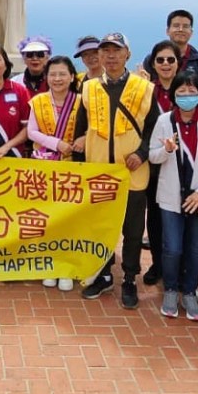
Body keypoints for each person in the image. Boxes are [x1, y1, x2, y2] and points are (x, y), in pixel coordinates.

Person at [73, 33, 159, 308]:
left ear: (127, 54)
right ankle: (105, 273)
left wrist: (142, 153)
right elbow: (80, 129)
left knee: (133, 229)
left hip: (132, 170)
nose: (110, 56)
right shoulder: (88, 88)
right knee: (102, 227)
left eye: (116, 51)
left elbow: (154, 129)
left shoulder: (144, 88)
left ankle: (130, 278)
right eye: (105, 51)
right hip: (100, 173)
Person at [150, 72, 198, 321]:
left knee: (194, 248)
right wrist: (166, 150)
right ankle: (171, 289)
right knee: (171, 247)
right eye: (181, 92)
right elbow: (153, 156)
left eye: (191, 91)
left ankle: (190, 291)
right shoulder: (164, 121)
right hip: (171, 195)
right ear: (173, 94)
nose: (186, 96)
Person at [27, 56, 81, 290]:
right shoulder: (38, 101)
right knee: (46, 218)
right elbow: (31, 132)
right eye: (53, 74)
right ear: (46, 77)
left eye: (62, 74)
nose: (57, 78)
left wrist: (83, 139)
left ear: (72, 76)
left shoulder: (83, 102)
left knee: (69, 218)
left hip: (72, 168)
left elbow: (93, 129)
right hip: (44, 167)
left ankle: (67, 267)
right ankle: (49, 264)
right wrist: (56, 143)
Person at [137, 40, 182, 285]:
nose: (165, 64)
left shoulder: (187, 89)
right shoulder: (146, 90)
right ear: (153, 63)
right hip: (154, 163)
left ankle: (178, 265)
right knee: (154, 217)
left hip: (183, 165)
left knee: (178, 216)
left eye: (170, 60)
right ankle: (157, 263)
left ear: (178, 62)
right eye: (160, 60)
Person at [165, 10, 198, 96]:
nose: (181, 29)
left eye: (185, 26)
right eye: (176, 26)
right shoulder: (154, 60)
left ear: (191, 32)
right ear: (167, 30)